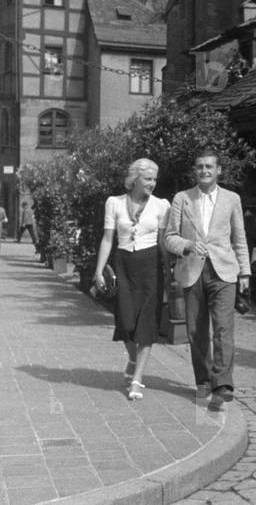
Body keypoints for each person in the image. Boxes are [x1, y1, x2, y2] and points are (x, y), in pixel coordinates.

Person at [164, 149, 251, 407]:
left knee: (223, 328)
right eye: (200, 167)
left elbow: (239, 237)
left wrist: (245, 272)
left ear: (219, 170)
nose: (204, 171)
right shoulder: (182, 198)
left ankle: (222, 384)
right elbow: (169, 237)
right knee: (196, 331)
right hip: (192, 271)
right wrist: (188, 245)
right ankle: (203, 381)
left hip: (224, 271)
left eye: (209, 167)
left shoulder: (232, 199)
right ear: (195, 170)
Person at [92, 158, 171, 401]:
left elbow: (163, 243)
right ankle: (133, 357)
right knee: (125, 323)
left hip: (151, 267)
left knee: (146, 324)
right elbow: (108, 239)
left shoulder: (161, 205)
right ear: (135, 179)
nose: (152, 184)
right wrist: (98, 271)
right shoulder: (114, 203)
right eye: (148, 179)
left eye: (154, 179)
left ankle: (137, 380)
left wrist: (170, 274)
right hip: (123, 263)